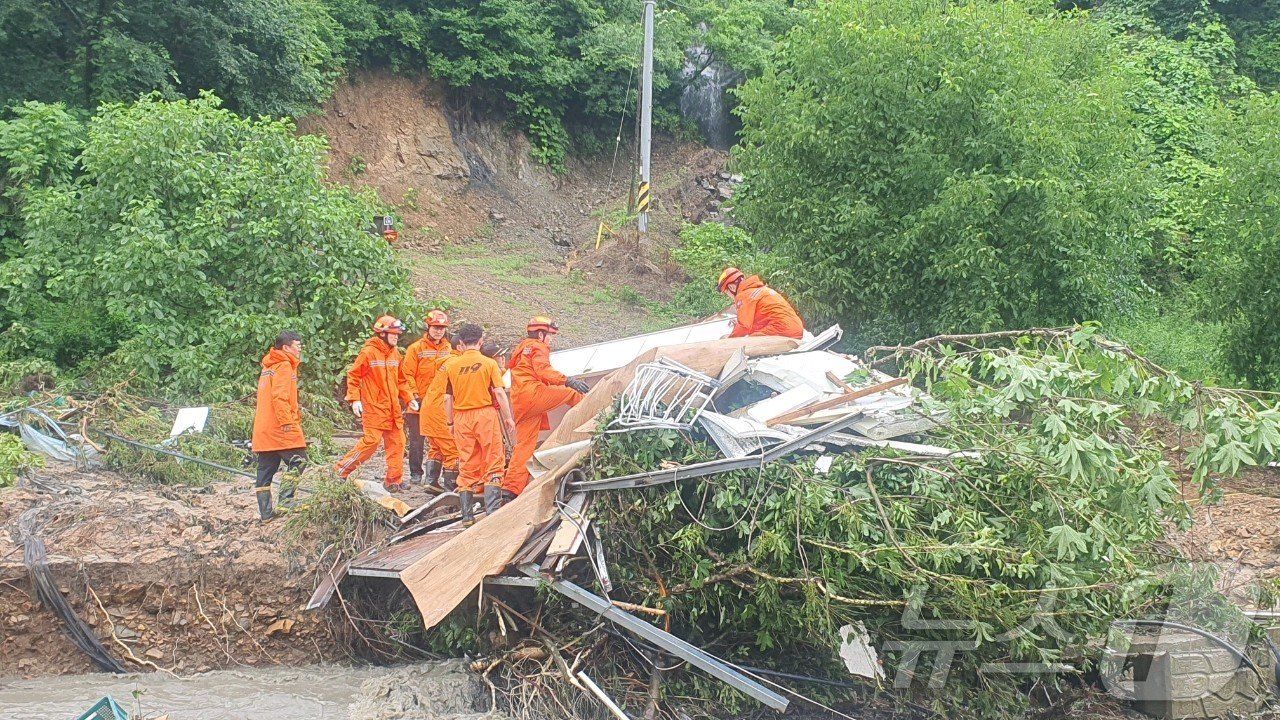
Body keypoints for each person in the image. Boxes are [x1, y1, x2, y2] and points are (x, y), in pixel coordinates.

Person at [500, 316, 587, 505]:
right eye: (550, 336)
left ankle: (510, 489)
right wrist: (568, 380)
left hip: (520, 401)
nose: (551, 340)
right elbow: (543, 371)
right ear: (541, 334)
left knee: (524, 446)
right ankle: (596, 413)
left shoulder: (521, 348)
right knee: (571, 393)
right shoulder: (538, 346)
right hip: (533, 394)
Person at [440, 323, 516, 525]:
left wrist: (450, 422)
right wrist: (508, 418)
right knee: (493, 460)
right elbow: (499, 392)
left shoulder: (451, 366)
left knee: (466, 463)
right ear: (481, 342)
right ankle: (492, 513)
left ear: (462, 344)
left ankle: (467, 516)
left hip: (461, 417)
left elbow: (447, 398)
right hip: (485, 415)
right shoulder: (489, 364)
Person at [335, 315, 419, 492]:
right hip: (374, 407)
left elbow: (401, 380)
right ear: (382, 334)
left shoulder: (395, 353)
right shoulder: (368, 352)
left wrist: (409, 398)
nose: (397, 337)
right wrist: (355, 399)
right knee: (371, 442)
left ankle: (393, 481)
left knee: (398, 442)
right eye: (393, 334)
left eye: (398, 334)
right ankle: (340, 471)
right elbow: (354, 376)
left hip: (392, 409)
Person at [251, 330, 306, 521]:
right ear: (286, 348)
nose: (300, 349)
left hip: (263, 428)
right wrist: (287, 423)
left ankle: (266, 514)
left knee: (266, 469)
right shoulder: (283, 365)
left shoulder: (268, 367)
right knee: (299, 460)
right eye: (297, 346)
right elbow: (280, 397)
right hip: (279, 427)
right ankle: (286, 501)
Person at [402, 310, 453, 486]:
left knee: (437, 441)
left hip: (439, 403)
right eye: (436, 327)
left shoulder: (448, 349)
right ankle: (416, 473)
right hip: (419, 400)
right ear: (428, 327)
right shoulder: (416, 349)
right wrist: (414, 396)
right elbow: (406, 374)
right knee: (417, 439)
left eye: (442, 328)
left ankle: (432, 479)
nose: (439, 331)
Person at [717, 267, 805, 339]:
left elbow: (744, 327)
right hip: (797, 329)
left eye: (726, 293)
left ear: (731, 287)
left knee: (746, 343)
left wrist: (729, 340)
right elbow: (763, 319)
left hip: (783, 330)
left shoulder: (743, 295)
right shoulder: (762, 290)